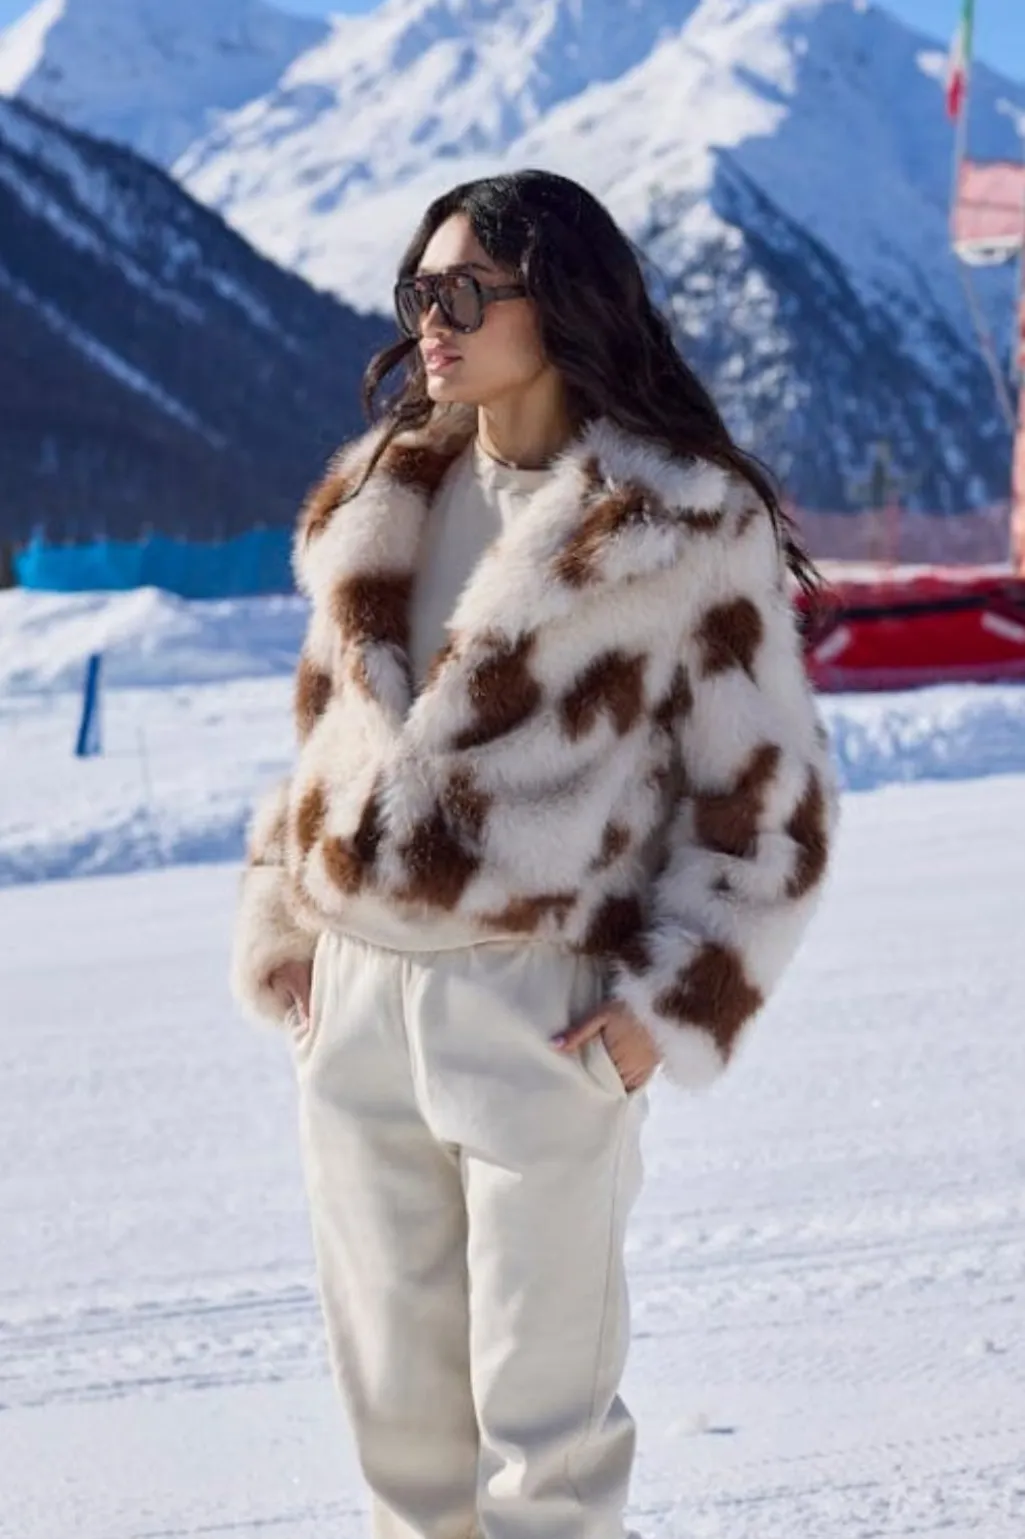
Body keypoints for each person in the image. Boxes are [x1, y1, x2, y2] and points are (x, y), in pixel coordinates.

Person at [231, 168, 837, 1539]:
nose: (431, 323)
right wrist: (287, 933)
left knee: (544, 1443)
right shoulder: (378, 494)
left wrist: (665, 1010)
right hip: (356, 999)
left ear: (558, 301)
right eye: (419, 292)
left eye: (466, 292)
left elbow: (769, 809)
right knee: (400, 1438)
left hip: (537, 1008)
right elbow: (322, 734)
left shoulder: (680, 520)